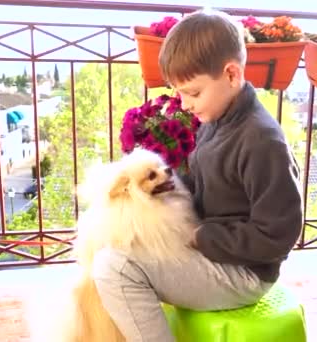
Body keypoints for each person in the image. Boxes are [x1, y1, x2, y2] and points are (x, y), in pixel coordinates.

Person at [92, 9, 303, 341]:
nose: (185, 104)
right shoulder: (218, 119)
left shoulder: (262, 141)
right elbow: (203, 183)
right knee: (113, 246)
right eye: (179, 93)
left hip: (244, 273)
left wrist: (201, 237)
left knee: (115, 268)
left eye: (192, 92)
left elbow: (279, 234)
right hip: (215, 252)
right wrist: (162, 189)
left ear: (231, 75)